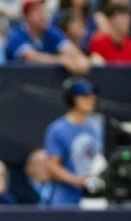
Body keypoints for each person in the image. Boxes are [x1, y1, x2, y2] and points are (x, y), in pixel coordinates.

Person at [43, 77, 105, 206]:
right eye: (85, 96)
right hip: (66, 200)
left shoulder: (96, 127)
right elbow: (52, 165)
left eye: (91, 95)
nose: (91, 99)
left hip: (93, 199)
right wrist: (76, 180)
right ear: (72, 99)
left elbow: (97, 158)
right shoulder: (57, 129)